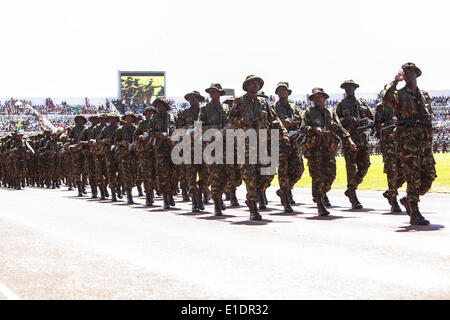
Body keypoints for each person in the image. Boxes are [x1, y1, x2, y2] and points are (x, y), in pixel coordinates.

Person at [381, 62, 436, 225]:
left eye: (412, 72)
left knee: (429, 176)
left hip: (424, 141)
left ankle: (408, 199)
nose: (409, 75)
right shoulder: (399, 94)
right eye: (406, 73)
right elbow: (386, 98)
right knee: (413, 177)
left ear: (417, 75)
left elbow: (428, 112)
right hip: (408, 142)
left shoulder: (424, 94)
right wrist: (394, 81)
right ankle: (414, 212)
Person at [230, 75, 290, 220]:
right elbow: (231, 120)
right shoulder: (239, 101)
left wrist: (283, 132)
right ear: (247, 86)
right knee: (250, 177)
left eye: (257, 83)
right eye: (252, 83)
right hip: (246, 146)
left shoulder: (263, 102)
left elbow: (274, 119)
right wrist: (242, 121)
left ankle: (254, 196)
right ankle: (253, 208)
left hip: (263, 145)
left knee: (268, 174)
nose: (255, 86)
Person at [300, 88, 357, 216]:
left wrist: (349, 140)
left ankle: (320, 193)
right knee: (317, 177)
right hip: (314, 150)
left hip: (328, 148)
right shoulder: (309, 112)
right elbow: (303, 128)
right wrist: (314, 129)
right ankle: (320, 203)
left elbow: (340, 128)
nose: (318, 99)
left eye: (320, 97)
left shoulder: (330, 112)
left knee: (331, 175)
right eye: (315, 97)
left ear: (325, 98)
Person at [336, 80, 374, 209]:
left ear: (355, 89)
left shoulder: (362, 103)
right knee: (351, 168)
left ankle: (351, 188)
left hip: (362, 138)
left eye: (351, 88)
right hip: (350, 140)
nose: (349, 90)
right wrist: (347, 119)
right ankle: (353, 195)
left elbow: (372, 117)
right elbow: (337, 123)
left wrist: (368, 121)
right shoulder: (341, 104)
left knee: (365, 166)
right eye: (347, 88)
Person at [274, 82, 304, 212]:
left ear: (288, 92)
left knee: (298, 169)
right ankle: (285, 200)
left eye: (284, 89)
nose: (282, 91)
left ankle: (284, 190)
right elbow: (271, 123)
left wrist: (296, 122)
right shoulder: (273, 108)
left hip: (294, 142)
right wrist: (282, 122)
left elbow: (303, 122)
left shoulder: (295, 107)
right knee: (283, 172)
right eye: (279, 90)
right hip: (280, 143)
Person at [199, 83, 227, 216]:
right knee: (215, 175)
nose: (212, 94)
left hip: (226, 146)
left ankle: (219, 196)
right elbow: (199, 127)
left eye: (214, 92)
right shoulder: (205, 108)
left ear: (220, 93)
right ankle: (216, 203)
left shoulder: (226, 108)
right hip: (211, 147)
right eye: (210, 92)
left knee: (227, 175)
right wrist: (212, 130)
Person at [373, 101, 404, 212]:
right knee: (392, 171)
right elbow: (376, 126)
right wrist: (390, 123)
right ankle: (394, 200)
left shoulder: (400, 103)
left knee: (405, 171)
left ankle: (390, 192)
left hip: (401, 142)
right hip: (387, 143)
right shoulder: (381, 106)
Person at [114, 112, 137, 204]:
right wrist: (121, 143)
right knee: (125, 174)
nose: (129, 119)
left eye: (130, 118)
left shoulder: (135, 128)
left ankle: (122, 186)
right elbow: (115, 142)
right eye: (127, 118)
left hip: (133, 155)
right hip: (123, 155)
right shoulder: (120, 129)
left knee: (134, 174)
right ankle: (129, 195)